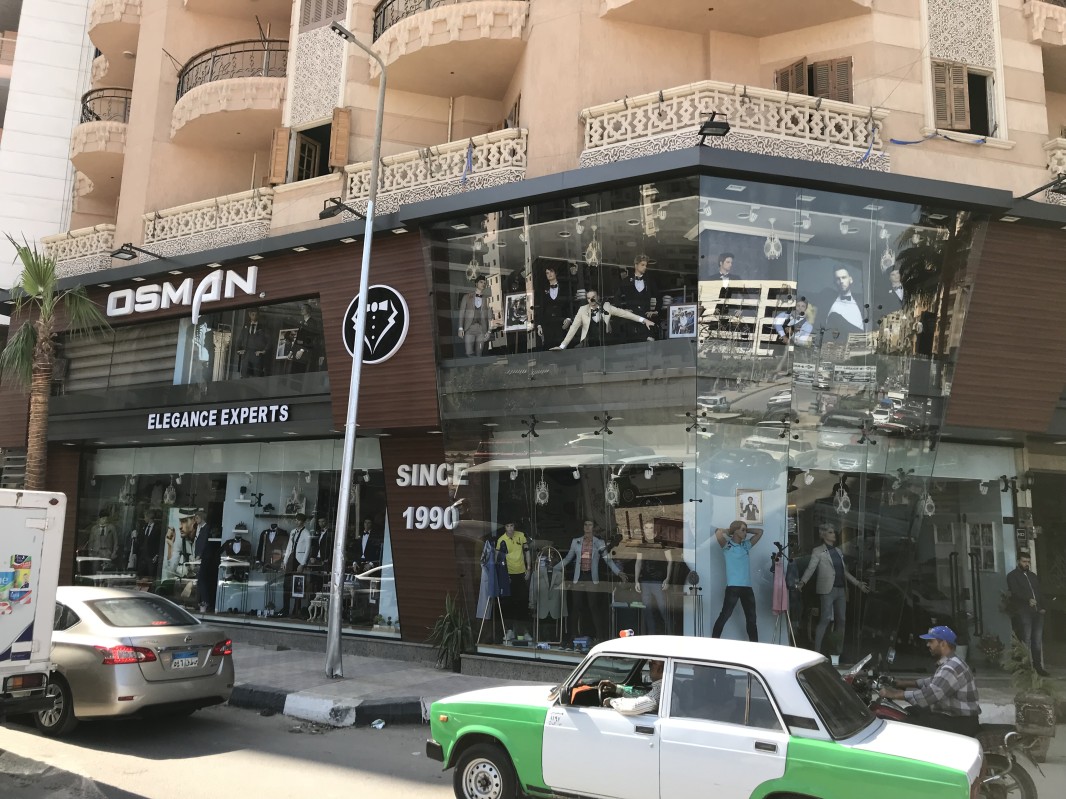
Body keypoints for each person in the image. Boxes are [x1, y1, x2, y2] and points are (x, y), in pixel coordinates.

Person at [880, 625, 981, 737]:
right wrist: (901, 683)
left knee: (908, 723)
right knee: (911, 711)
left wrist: (895, 694)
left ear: (943, 643)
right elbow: (932, 682)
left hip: (961, 723)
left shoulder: (951, 667)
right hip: (955, 717)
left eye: (931, 641)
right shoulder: (950, 662)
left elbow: (930, 695)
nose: (928, 645)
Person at [797, 523, 869, 655]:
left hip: (840, 589)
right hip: (827, 590)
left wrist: (858, 583)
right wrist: (802, 582)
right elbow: (811, 568)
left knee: (842, 620)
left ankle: (837, 651)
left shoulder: (838, 551)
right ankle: (817, 650)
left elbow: (844, 571)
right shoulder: (818, 551)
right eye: (830, 532)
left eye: (833, 532)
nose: (834, 534)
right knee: (825, 618)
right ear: (823, 535)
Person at [558, 520, 628, 644]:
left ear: (593, 528)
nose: (587, 527)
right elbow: (568, 558)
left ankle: (600, 636)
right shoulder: (576, 541)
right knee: (575, 606)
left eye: (590, 525)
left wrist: (618, 572)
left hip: (591, 577)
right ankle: (573, 635)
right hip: (579, 577)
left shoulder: (599, 542)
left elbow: (607, 559)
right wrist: (555, 567)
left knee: (593, 607)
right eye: (585, 524)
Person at [711, 521, 763, 642]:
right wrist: (730, 530)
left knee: (752, 620)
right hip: (733, 587)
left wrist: (746, 529)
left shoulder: (746, 545)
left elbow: (760, 532)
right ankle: (713, 643)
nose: (745, 533)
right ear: (735, 531)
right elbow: (717, 532)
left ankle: (755, 647)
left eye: (745, 530)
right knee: (724, 616)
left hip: (747, 588)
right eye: (743, 530)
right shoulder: (727, 546)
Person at [554, 290, 653, 349]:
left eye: (593, 297)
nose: (591, 300)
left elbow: (624, 314)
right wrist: (562, 346)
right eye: (589, 298)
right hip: (592, 346)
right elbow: (573, 328)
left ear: (598, 297)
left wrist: (644, 320)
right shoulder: (583, 310)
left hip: (608, 344)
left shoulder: (606, 306)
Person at [1007, 552, 1050, 676]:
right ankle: (1023, 667)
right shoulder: (1012, 576)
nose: (1026, 564)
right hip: (1023, 611)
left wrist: (1043, 607)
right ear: (1018, 562)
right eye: (1024, 561)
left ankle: (1038, 667)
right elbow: (1014, 592)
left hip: (1037, 611)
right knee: (1025, 639)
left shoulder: (1033, 576)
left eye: (1028, 562)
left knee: (1037, 640)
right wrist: (1027, 600)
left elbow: (1039, 592)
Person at [635, 524, 674, 635]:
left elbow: (670, 561)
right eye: (646, 528)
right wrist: (636, 580)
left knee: (663, 609)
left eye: (650, 528)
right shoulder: (642, 545)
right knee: (647, 610)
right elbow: (638, 562)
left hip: (658, 581)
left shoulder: (662, 544)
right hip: (645, 581)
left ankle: (671, 634)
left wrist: (667, 579)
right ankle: (651, 634)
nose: (648, 530)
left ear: (655, 531)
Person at [496, 522, 531, 640]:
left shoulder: (520, 535)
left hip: (521, 574)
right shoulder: (501, 540)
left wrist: (528, 568)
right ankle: (510, 630)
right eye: (507, 526)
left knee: (523, 603)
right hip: (508, 575)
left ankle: (524, 631)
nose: (510, 528)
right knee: (508, 603)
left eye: (511, 525)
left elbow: (527, 551)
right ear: (505, 528)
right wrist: (503, 574)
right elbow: (498, 558)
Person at [616, 254, 659, 343]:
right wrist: (623, 310)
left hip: (646, 317)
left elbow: (659, 296)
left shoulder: (649, 281)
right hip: (631, 319)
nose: (645, 267)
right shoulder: (626, 281)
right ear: (636, 265)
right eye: (642, 265)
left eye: (646, 265)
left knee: (649, 343)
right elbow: (617, 297)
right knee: (631, 344)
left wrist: (656, 311)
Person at [600, 659, 666, 715]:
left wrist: (612, 701)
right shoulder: (662, 687)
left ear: (660, 669)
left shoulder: (660, 691)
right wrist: (617, 689)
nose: (649, 666)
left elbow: (634, 707)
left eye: (652, 664)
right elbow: (644, 695)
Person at [535, 265, 573, 350]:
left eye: (551, 271)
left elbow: (568, 304)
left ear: (556, 273)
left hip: (561, 322)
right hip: (548, 323)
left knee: (563, 347)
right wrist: (539, 325)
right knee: (549, 347)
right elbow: (541, 307)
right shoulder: (543, 289)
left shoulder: (564, 288)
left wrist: (568, 318)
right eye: (547, 273)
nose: (549, 274)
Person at [823, 266, 866, 335]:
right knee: (834, 316)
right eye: (838, 279)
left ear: (850, 280)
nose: (841, 281)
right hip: (836, 339)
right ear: (834, 282)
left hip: (861, 338)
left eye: (844, 277)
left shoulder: (861, 300)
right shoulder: (828, 302)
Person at [458, 277, 495, 356]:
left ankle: (478, 363)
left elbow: (490, 317)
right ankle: (472, 364)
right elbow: (461, 313)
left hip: (481, 330)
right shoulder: (467, 297)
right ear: (476, 283)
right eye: (481, 282)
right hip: (469, 328)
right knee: (469, 352)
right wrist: (460, 328)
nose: (483, 284)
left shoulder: (487, 299)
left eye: (484, 283)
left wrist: (489, 331)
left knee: (479, 353)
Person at [235, 307, 272, 378]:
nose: (254, 316)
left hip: (257, 355)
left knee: (256, 376)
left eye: (256, 314)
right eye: (252, 314)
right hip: (247, 354)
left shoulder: (263, 327)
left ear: (258, 315)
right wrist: (238, 350)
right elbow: (239, 340)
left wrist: (264, 351)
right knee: (244, 375)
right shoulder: (246, 327)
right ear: (249, 315)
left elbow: (269, 341)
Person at [289, 303, 321, 373]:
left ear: (308, 310)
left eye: (303, 308)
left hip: (305, 352)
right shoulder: (302, 323)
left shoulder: (313, 323)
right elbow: (298, 337)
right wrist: (291, 351)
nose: (301, 309)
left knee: (301, 372)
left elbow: (311, 338)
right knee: (294, 372)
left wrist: (302, 350)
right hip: (297, 350)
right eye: (301, 308)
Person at [135, 509, 162, 579]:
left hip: (151, 556)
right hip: (142, 556)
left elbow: (159, 543)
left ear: (149, 517)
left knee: (150, 574)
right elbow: (140, 540)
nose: (144, 519)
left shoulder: (157, 529)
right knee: (140, 574)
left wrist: (157, 555)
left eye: (145, 517)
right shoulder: (143, 527)